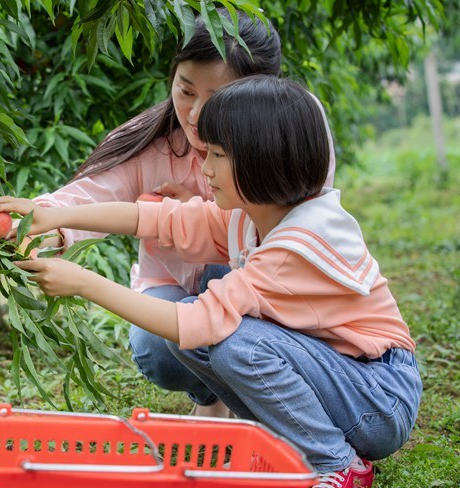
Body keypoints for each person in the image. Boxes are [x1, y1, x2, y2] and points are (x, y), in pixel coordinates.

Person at [0, 76, 422, 488]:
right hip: (342, 380)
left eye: (216, 155)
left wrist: (84, 284)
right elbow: (156, 219)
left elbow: (196, 322)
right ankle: (296, 444)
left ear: (261, 162)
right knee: (208, 340)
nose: (205, 168)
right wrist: (54, 215)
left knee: (233, 342)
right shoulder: (254, 216)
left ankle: (337, 463)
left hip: (379, 398)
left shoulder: (296, 242)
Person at [30, 9, 336, 418]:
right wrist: (44, 224)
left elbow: (291, 225)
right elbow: (89, 196)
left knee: (229, 279)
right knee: (155, 348)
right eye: (186, 91)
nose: (194, 115)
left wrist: (194, 203)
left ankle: (262, 401)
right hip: (179, 288)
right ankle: (213, 396)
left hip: (268, 291)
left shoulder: (293, 130)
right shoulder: (154, 145)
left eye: (218, 97)